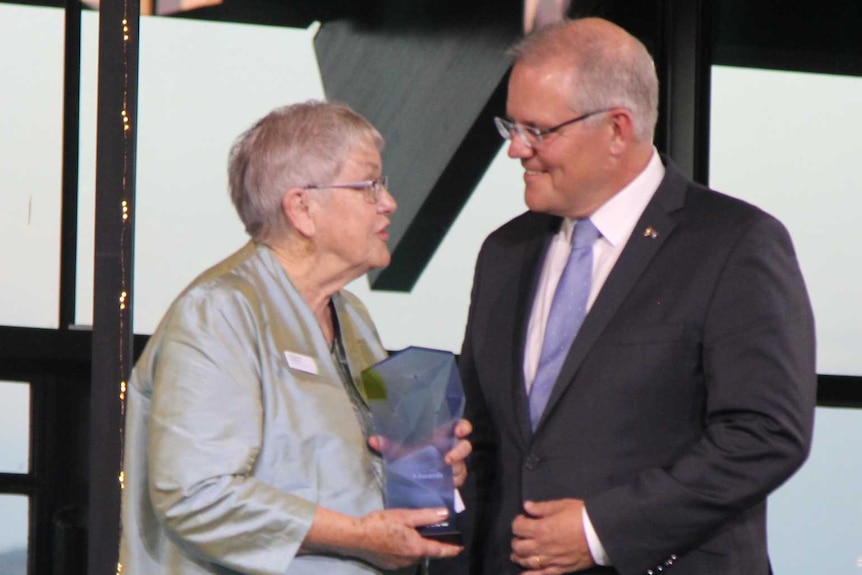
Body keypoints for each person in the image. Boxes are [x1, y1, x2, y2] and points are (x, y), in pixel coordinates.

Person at [459, 17, 816, 575]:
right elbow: (483, 444)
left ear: (617, 130)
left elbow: (765, 434)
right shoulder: (504, 252)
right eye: (512, 127)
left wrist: (600, 531)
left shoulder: (734, 243)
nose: (517, 150)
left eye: (539, 130)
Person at [119, 101, 471, 575]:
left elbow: (345, 477)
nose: (388, 202)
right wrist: (359, 538)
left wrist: (428, 472)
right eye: (369, 186)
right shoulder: (221, 311)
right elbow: (197, 495)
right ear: (302, 207)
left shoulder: (354, 318)